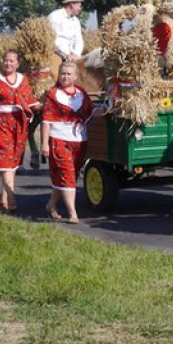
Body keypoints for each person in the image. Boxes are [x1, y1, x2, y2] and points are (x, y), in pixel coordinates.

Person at [0, 50, 40, 213]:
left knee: (13, 164)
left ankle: (3, 201)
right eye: (6, 60)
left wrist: (44, 104)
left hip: (19, 125)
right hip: (1, 123)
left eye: (12, 61)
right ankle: (12, 200)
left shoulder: (23, 80)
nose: (8, 63)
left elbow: (28, 100)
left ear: (17, 64)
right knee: (5, 162)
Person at [40, 61, 97, 224]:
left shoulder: (81, 93)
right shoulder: (53, 94)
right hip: (59, 139)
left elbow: (91, 111)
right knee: (67, 174)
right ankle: (73, 213)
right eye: (62, 73)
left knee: (69, 175)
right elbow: (46, 121)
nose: (65, 77)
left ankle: (51, 205)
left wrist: (107, 110)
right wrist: (45, 144)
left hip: (79, 140)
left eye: (68, 74)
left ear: (75, 76)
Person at [48, 0, 85, 71]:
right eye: (78, 3)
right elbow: (53, 39)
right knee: (55, 72)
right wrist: (67, 54)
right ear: (71, 4)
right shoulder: (55, 17)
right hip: (57, 53)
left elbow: (79, 40)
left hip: (73, 56)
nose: (80, 5)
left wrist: (76, 54)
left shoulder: (76, 21)